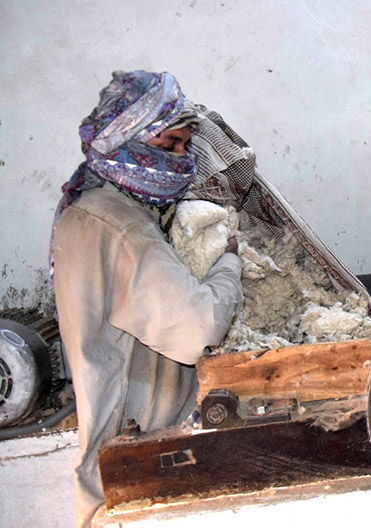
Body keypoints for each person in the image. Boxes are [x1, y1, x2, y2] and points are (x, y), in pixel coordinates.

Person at [50, 70, 243, 528]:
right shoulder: (124, 227)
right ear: (126, 140)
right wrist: (229, 263)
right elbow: (199, 328)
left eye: (183, 147)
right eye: (167, 145)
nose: (180, 159)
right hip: (136, 452)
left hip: (117, 434)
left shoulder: (92, 202)